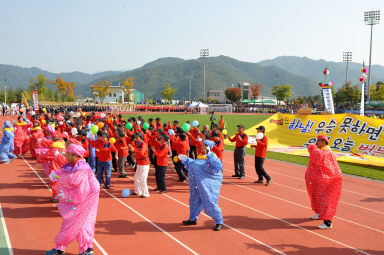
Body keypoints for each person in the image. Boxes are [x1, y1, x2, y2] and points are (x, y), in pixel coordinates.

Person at [45, 143, 100, 255]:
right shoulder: (74, 164)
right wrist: (56, 174)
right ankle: (86, 249)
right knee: (80, 222)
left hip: (85, 198)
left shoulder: (81, 170)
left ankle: (62, 249)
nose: (66, 156)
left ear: (75, 155)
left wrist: (67, 196)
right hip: (78, 197)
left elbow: (81, 192)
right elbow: (66, 173)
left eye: (68, 154)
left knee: (73, 222)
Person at [179, 140, 224, 231]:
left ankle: (219, 221)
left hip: (208, 184)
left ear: (208, 147)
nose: (202, 146)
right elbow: (196, 165)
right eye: (203, 145)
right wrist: (187, 160)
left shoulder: (212, 157)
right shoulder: (201, 156)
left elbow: (218, 167)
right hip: (198, 183)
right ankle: (193, 219)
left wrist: (209, 155)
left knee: (209, 201)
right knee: (194, 200)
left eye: (204, 145)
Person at [305, 135, 343, 230]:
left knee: (325, 200)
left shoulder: (326, 152)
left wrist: (311, 147)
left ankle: (327, 222)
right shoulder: (321, 150)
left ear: (324, 142)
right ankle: (319, 213)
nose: (316, 142)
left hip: (329, 180)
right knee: (315, 196)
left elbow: (316, 155)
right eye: (316, 140)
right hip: (320, 179)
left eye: (318, 140)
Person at [128, 132, 150, 198]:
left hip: (144, 163)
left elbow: (141, 153)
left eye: (136, 138)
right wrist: (131, 147)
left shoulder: (143, 144)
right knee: (136, 177)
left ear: (140, 137)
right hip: (139, 163)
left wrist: (133, 150)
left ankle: (146, 193)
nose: (134, 139)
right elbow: (136, 149)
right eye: (134, 138)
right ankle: (138, 191)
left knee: (143, 178)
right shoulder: (138, 144)